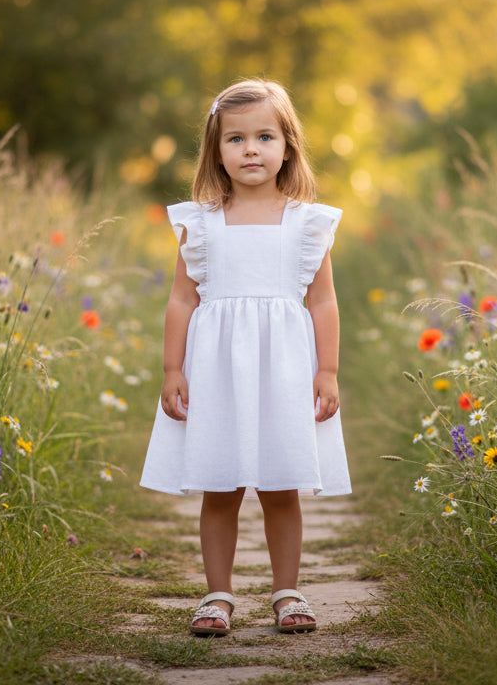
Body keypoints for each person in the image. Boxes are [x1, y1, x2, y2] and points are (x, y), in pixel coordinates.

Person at [140, 79, 351, 637]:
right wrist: (172, 369)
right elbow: (183, 298)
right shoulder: (201, 223)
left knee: (281, 486)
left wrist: (326, 370)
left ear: (288, 147)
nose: (251, 149)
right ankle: (217, 595)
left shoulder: (307, 223)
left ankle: (287, 591)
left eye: (264, 136)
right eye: (236, 138)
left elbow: (323, 299)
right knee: (221, 484)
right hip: (218, 371)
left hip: (283, 369)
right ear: (217, 150)